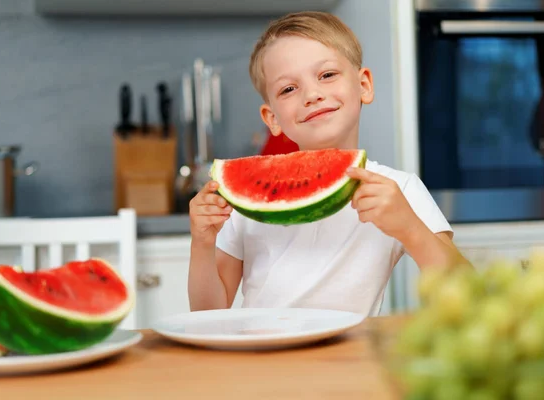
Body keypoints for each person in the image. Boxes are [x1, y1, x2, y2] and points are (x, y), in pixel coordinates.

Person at [187, 11, 469, 316]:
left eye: (327, 75)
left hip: (349, 359)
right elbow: (209, 312)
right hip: (264, 358)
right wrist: (202, 242)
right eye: (288, 89)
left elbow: (466, 295)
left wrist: (410, 228)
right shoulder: (242, 205)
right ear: (272, 119)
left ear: (364, 85)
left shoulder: (397, 190)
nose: (312, 94)